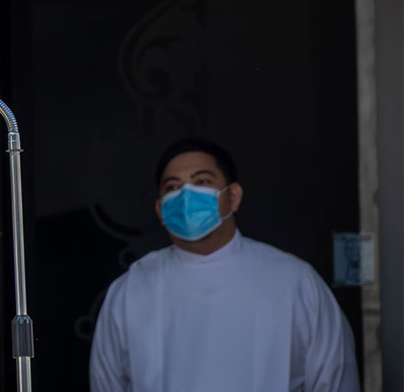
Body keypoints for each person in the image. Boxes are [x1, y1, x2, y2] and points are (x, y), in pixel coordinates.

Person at [89, 137, 360, 392]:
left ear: (232, 197)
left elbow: (335, 378)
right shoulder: (132, 290)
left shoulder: (293, 280)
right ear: (160, 209)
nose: (185, 196)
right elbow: (106, 382)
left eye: (202, 181)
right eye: (172, 187)